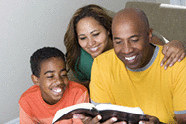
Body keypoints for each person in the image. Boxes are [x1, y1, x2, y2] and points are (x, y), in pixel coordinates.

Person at [89, 8, 186, 123]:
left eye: (134, 40)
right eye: (118, 42)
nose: (126, 50)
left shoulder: (175, 62)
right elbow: (104, 117)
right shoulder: (101, 65)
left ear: (149, 34)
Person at [64, 4, 186, 89]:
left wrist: (179, 45)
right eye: (83, 38)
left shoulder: (138, 39)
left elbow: (166, 52)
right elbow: (83, 88)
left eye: (95, 34)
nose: (91, 43)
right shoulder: (80, 60)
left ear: (108, 29)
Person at [19, 47, 89, 124]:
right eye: (50, 76)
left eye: (63, 74)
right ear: (36, 80)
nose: (59, 81)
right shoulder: (26, 101)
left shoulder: (78, 93)